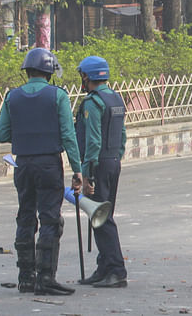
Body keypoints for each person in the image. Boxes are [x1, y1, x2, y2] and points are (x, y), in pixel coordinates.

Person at [0, 48, 82, 296]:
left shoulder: (12, 97)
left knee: (25, 216)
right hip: (48, 164)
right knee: (50, 219)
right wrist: (78, 170)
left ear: (27, 71)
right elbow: (68, 136)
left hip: (22, 165)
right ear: (49, 72)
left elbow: (1, 134)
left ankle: (25, 277)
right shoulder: (58, 96)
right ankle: (46, 277)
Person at [74, 56, 128, 288]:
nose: (82, 80)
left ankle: (116, 270)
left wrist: (88, 175)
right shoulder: (115, 98)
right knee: (102, 215)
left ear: (88, 76)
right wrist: (115, 159)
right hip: (113, 161)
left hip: (98, 164)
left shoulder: (93, 103)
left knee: (101, 218)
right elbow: (123, 136)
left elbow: (93, 141)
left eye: (83, 76)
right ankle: (104, 267)